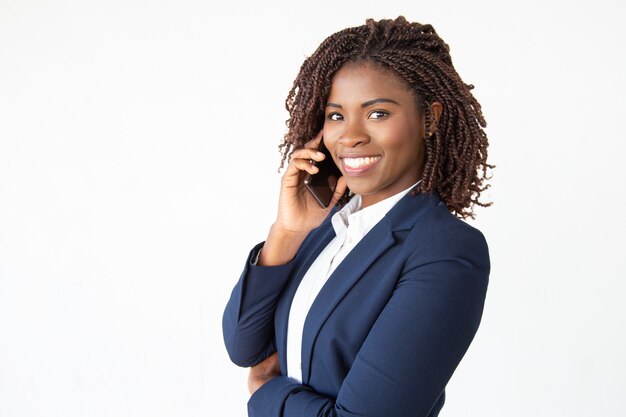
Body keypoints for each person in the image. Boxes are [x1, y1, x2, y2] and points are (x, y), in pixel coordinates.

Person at [222, 16, 493, 417]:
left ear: (430, 118)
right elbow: (244, 345)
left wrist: (265, 394)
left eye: (377, 113)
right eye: (336, 116)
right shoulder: (324, 229)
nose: (350, 136)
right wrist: (286, 232)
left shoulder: (445, 250)